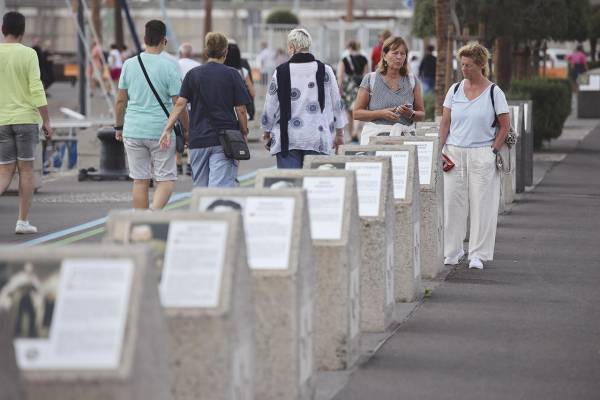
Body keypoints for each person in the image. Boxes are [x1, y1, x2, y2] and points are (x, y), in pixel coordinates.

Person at [439, 42, 510, 270]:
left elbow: (505, 126)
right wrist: (439, 150)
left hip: (482, 152)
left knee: (482, 205)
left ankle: (478, 254)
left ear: (481, 65)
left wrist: (493, 151)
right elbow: (445, 122)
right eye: (461, 64)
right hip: (454, 152)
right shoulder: (455, 89)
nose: (464, 69)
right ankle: (452, 250)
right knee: (453, 203)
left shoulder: (494, 92)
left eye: (468, 65)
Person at [114, 20, 189, 210]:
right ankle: (153, 214)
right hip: (161, 131)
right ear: (164, 41)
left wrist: (118, 127)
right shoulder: (170, 65)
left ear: (145, 39)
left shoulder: (129, 64)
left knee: (140, 181)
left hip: (133, 129)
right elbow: (178, 103)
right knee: (166, 179)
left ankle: (140, 222)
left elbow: (121, 100)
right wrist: (187, 130)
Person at [160, 32, 250, 187]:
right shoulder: (232, 74)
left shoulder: (193, 74)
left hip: (198, 139)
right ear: (225, 51)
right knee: (219, 188)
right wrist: (243, 131)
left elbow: (180, 104)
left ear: (206, 51)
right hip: (225, 139)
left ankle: (201, 211)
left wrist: (167, 129)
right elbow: (241, 109)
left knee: (201, 188)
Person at [261, 28, 347, 168]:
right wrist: (340, 134)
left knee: (290, 184)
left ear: (292, 47)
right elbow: (337, 103)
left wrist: (266, 131)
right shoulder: (325, 70)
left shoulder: (281, 72)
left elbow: (270, 104)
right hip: (316, 137)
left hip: (287, 139)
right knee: (315, 185)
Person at [0, 11, 53, 234]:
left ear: (3, 30)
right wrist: (46, 121)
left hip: (2, 120)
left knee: (4, 172)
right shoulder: (29, 54)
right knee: (27, 170)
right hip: (26, 120)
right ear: (22, 32)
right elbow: (36, 88)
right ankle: (22, 221)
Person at [353, 36, 425, 145]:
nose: (399, 57)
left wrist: (411, 113)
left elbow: (421, 115)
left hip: (404, 141)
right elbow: (357, 113)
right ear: (384, 55)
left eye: (403, 54)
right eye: (395, 53)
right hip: (375, 140)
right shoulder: (370, 79)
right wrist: (381, 114)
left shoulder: (412, 80)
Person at [337, 40, 369, 143]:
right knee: (358, 109)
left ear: (349, 47)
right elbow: (366, 74)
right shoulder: (364, 59)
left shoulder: (344, 59)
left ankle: (351, 135)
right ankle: (355, 131)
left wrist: (340, 87)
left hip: (348, 86)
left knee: (349, 112)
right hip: (360, 85)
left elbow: (341, 75)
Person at [177, 42, 201, 176]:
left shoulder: (175, 64)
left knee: (177, 133)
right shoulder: (197, 66)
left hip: (176, 104)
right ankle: (191, 163)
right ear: (191, 54)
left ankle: (177, 162)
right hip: (192, 105)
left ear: (180, 53)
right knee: (191, 133)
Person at [224, 42, 256, 120]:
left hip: (225, 111)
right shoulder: (243, 72)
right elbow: (253, 93)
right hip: (241, 111)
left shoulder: (221, 71)